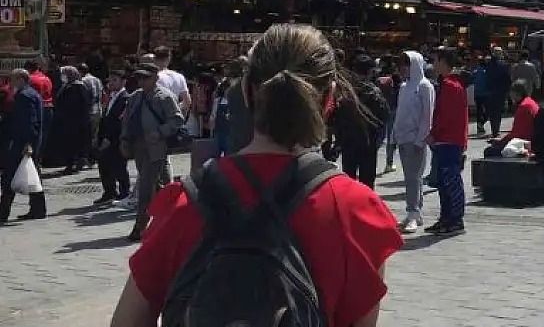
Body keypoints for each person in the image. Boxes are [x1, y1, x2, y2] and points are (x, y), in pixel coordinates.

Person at [109, 24, 402, 327]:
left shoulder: (185, 203)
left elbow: (126, 321)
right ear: (329, 99)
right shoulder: (355, 211)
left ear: (247, 92)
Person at [120, 64, 185, 241]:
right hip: (138, 146)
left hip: (156, 146)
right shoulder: (135, 97)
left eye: (146, 78)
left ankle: (140, 226)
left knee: (146, 186)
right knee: (158, 186)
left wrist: (159, 133)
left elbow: (177, 120)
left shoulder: (164, 97)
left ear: (156, 78)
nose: (142, 81)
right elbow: (127, 119)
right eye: (139, 77)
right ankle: (170, 220)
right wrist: (124, 140)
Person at [393, 50, 435, 234]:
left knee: (413, 178)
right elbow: (400, 112)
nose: (402, 68)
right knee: (411, 178)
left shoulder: (425, 86)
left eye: (406, 64)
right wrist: (395, 134)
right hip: (402, 138)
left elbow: (428, 115)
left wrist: (421, 139)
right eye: (401, 64)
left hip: (415, 139)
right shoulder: (404, 87)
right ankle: (415, 213)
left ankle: (412, 213)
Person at [428, 48, 468, 235]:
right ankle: (446, 218)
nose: (433, 64)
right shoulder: (448, 84)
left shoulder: (451, 85)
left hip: (448, 139)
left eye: (435, 60)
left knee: (451, 181)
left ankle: (455, 219)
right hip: (447, 139)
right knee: (443, 182)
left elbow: (445, 115)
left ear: (444, 62)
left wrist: (434, 133)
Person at [334, 54, 389, 189]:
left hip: (349, 142)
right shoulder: (374, 92)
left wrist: (338, 141)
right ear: (370, 72)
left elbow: (337, 117)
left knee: (348, 182)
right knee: (367, 182)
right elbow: (384, 116)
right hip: (368, 143)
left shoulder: (346, 92)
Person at [0, 68, 46, 222]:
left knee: (8, 177)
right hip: (31, 142)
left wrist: (26, 144)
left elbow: (28, 122)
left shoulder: (23, 96)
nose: (10, 83)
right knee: (33, 176)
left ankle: (3, 212)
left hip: (22, 143)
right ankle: (38, 209)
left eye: (12, 79)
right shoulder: (33, 94)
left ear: (20, 79)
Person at [95, 70, 132, 204]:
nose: (111, 83)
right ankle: (109, 192)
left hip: (116, 138)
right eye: (109, 80)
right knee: (104, 165)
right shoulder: (110, 96)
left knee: (119, 166)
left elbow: (120, 121)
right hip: (105, 136)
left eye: (114, 80)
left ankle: (124, 192)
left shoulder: (125, 98)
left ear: (123, 81)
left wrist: (109, 138)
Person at [485, 80, 538, 156]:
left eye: (511, 92)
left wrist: (502, 141)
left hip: (525, 143)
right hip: (530, 140)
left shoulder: (524, 107)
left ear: (517, 93)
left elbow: (518, 134)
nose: (510, 95)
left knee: (489, 151)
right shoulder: (530, 102)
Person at [55, 65, 93, 174]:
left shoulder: (77, 87)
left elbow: (74, 105)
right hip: (69, 122)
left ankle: (73, 164)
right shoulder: (69, 86)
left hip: (74, 122)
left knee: (73, 144)